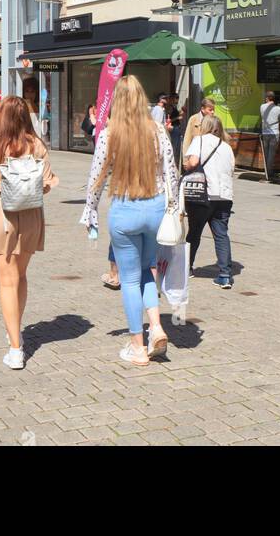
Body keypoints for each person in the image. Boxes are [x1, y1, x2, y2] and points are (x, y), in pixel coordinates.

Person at [84, 74, 178, 366]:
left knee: (129, 279)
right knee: (148, 270)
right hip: (154, 209)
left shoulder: (109, 133)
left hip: (125, 209)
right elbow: (171, 172)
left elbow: (96, 177)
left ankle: (138, 346)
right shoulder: (158, 131)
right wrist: (173, 207)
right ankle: (157, 326)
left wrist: (90, 212)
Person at [0, 95, 58, 370]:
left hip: (3, 216)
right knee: (20, 276)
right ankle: (15, 330)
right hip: (31, 216)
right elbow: (47, 183)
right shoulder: (37, 145)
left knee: (6, 281)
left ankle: (16, 348)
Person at [182, 114, 236, 289]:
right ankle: (225, 274)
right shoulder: (227, 147)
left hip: (203, 195)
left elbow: (194, 161)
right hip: (224, 196)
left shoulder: (199, 140)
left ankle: (186, 268)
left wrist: (187, 166)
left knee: (194, 233)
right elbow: (232, 169)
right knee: (221, 234)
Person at [260, 91, 280, 180]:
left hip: (265, 133)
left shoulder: (262, 107)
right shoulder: (279, 109)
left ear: (267, 98)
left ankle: (266, 172)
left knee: (265, 153)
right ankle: (269, 173)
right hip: (274, 133)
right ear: (274, 98)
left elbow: (263, 117)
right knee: (271, 154)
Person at [166, 93, 183, 164]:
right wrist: (178, 117)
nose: (177, 100)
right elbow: (168, 120)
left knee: (177, 148)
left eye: (178, 98)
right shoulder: (169, 107)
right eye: (176, 98)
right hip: (174, 129)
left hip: (177, 128)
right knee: (174, 148)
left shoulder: (174, 106)